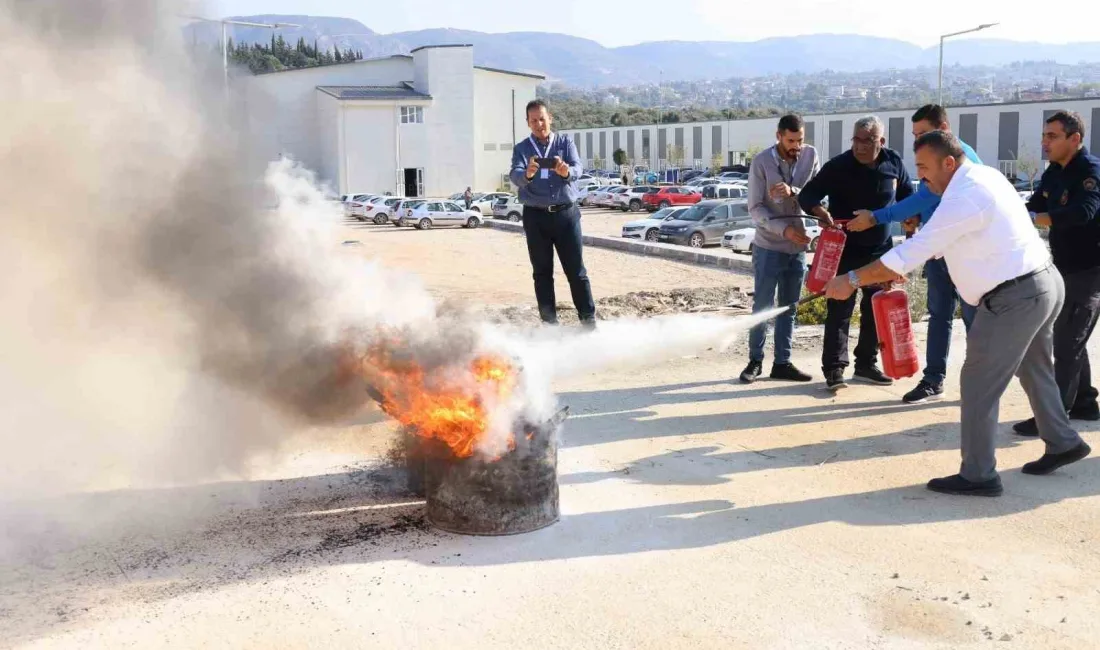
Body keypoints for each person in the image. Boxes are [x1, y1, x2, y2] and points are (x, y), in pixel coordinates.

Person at [823, 130, 1091, 496]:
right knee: (1036, 369)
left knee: (978, 383)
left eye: (924, 168)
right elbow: (940, 244)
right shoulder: (983, 177)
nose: (920, 177)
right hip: (1041, 285)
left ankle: (979, 474)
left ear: (949, 162)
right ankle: (1063, 442)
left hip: (1015, 297)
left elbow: (912, 251)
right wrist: (891, 267)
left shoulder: (964, 196)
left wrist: (852, 279)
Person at [847, 104, 983, 404]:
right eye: (914, 135)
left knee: (974, 320)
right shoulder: (936, 159)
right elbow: (929, 200)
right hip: (938, 254)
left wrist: (877, 217)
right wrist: (918, 218)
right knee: (939, 317)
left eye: (924, 133)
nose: (917, 141)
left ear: (944, 130)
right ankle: (934, 379)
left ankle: (981, 383)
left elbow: (926, 195)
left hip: (963, 255)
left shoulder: (962, 160)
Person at [798, 116, 913, 391]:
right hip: (845, 251)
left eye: (868, 141)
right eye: (856, 140)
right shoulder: (838, 166)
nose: (860, 147)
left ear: (881, 142)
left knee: (875, 308)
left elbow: (908, 197)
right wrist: (820, 212)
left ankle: (866, 364)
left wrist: (912, 225)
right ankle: (835, 369)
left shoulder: (893, 162)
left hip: (880, 251)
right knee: (840, 309)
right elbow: (807, 196)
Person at [1013, 111, 1100, 436]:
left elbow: (1083, 212)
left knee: (1066, 343)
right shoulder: (1053, 173)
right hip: (1063, 266)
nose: (1044, 142)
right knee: (1070, 338)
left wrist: (1040, 219)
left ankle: (1053, 418)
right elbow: (1033, 204)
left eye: (1052, 136)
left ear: (1074, 139)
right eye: (1044, 136)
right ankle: (1084, 403)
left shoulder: (1090, 172)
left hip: (1089, 269)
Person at [741, 114, 820, 384]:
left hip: (797, 247)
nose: (796, 146)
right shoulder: (762, 162)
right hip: (768, 246)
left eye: (800, 140)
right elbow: (755, 208)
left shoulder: (811, 156)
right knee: (762, 306)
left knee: (790, 307)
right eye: (790, 140)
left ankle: (782, 363)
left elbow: (817, 193)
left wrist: (794, 191)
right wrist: (783, 230)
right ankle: (755, 361)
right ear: (778, 136)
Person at [509, 99, 597, 328]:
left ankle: (588, 320)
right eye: (533, 120)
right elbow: (515, 173)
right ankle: (550, 324)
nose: (539, 124)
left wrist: (567, 171)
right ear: (528, 123)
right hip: (536, 217)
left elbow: (578, 168)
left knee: (576, 271)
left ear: (550, 119)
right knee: (542, 273)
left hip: (566, 215)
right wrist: (527, 174)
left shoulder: (565, 143)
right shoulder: (522, 149)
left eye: (542, 119)